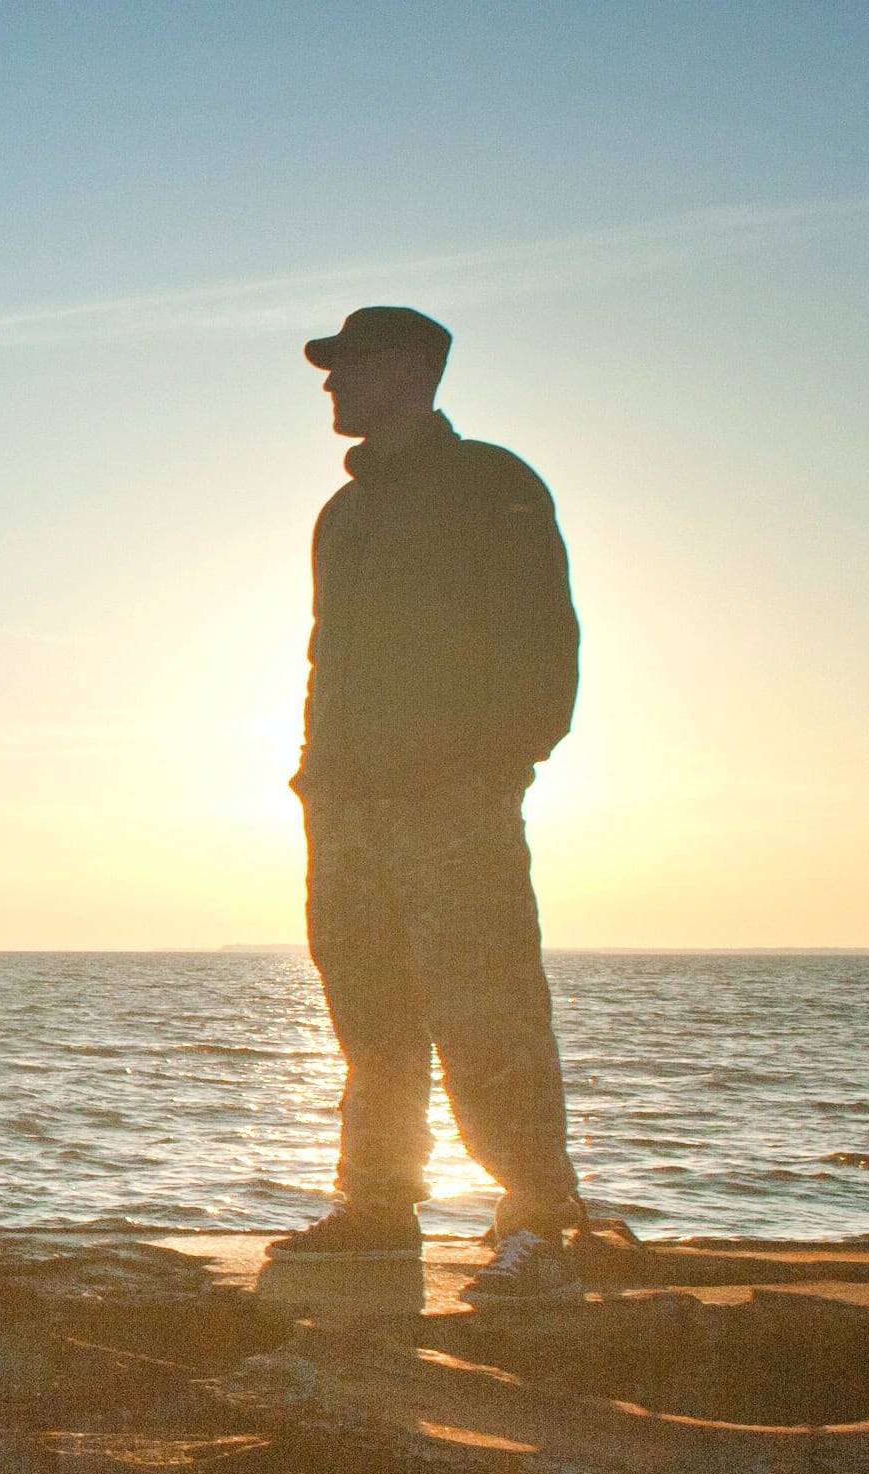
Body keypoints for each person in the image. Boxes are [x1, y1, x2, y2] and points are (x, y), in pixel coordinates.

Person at [266, 304, 596, 1301]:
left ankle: (540, 1223)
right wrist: (315, 775)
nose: (328, 386)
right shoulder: (346, 512)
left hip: (449, 802)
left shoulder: (489, 485)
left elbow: (543, 639)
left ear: (405, 370)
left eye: (346, 368)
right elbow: (327, 657)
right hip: (345, 804)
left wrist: (494, 767)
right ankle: (375, 1211)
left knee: (485, 1007)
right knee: (368, 1012)